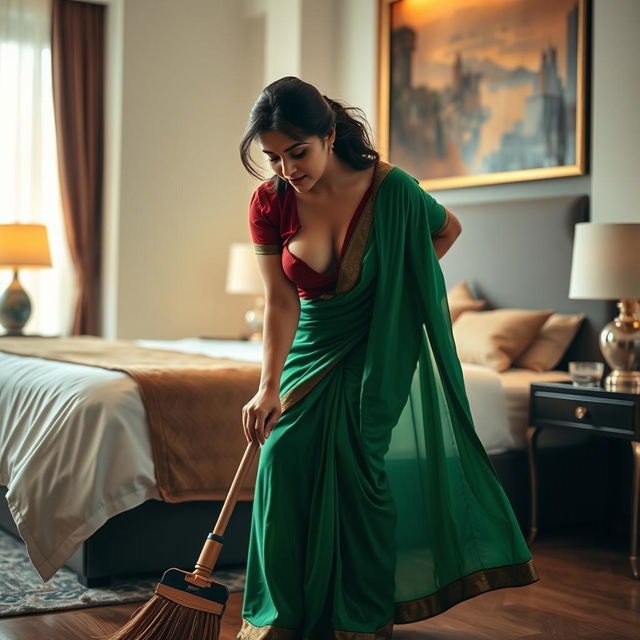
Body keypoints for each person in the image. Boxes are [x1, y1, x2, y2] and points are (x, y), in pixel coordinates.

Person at [237, 76, 538, 640]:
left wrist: (395, 283)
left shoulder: (392, 189)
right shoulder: (271, 201)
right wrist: (266, 385)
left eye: (297, 153)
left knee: (361, 474)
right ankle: (281, 617)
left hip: (380, 343)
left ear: (329, 135)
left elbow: (448, 230)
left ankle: (361, 619)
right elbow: (280, 301)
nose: (287, 169)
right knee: (281, 463)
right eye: (274, 157)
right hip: (310, 349)